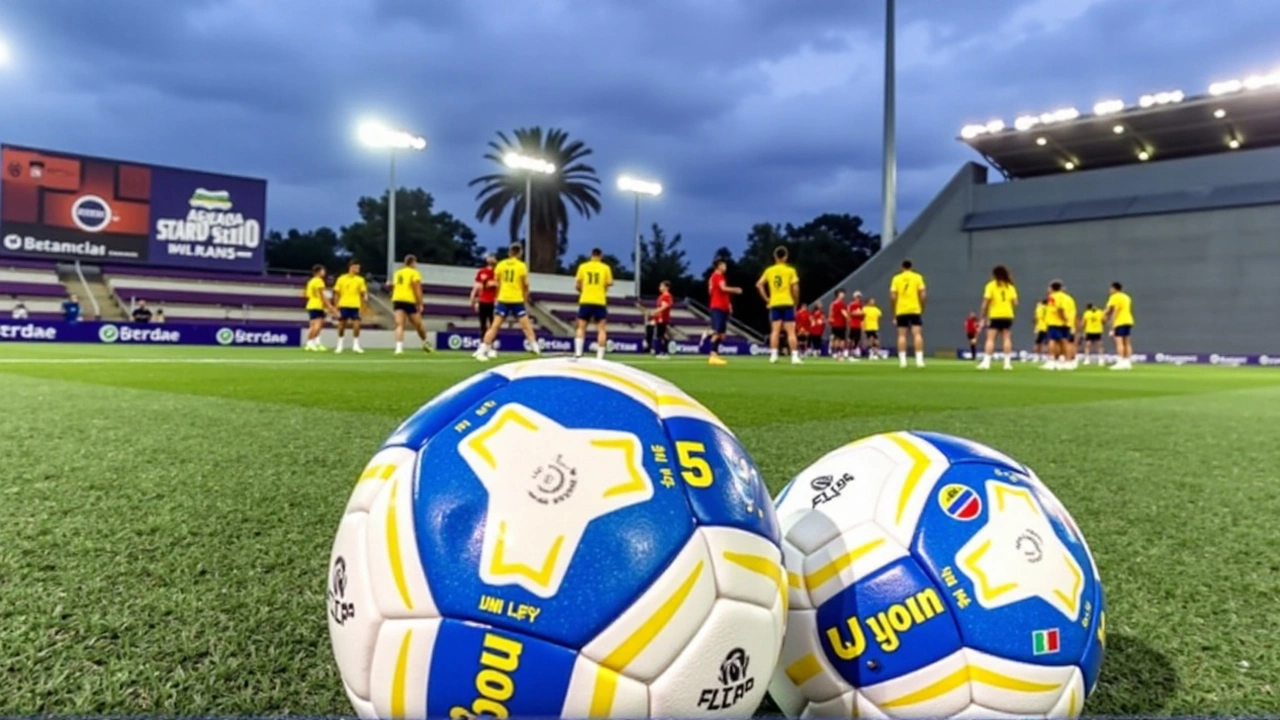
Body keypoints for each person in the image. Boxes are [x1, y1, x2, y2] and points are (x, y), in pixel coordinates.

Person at [475, 244, 540, 361]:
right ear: (520, 253)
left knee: (495, 326)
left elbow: (497, 283)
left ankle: (483, 348)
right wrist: (525, 297)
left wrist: (498, 296)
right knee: (526, 325)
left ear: (509, 252)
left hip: (503, 299)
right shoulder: (522, 266)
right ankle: (535, 347)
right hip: (516, 299)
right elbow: (526, 285)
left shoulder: (501, 265)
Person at [755, 245, 802, 364]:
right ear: (785, 257)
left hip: (775, 303)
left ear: (775, 257)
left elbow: (759, 284)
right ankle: (794, 357)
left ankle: (773, 355)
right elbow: (795, 288)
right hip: (787, 302)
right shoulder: (790, 270)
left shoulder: (769, 270)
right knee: (791, 331)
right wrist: (796, 302)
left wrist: (767, 299)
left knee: (775, 331)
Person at [573, 248, 613, 361]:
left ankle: (578, 353)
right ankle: (600, 357)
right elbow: (609, 283)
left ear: (591, 255)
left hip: (586, 300)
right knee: (601, 329)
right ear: (601, 256)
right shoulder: (605, 268)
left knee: (581, 327)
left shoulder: (583, 267)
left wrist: (583, 290)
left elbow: (577, 285)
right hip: (599, 301)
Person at [978, 265, 1018, 371]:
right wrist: (1009, 310)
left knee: (991, 339)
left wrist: (983, 316)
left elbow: (985, 303)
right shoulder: (1010, 287)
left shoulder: (991, 286)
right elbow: (1015, 303)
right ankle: (1007, 363)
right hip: (1007, 315)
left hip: (995, 315)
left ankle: (986, 362)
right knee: (1006, 338)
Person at [890, 259, 927, 368]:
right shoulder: (917, 277)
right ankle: (919, 360)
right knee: (917, 334)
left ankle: (903, 361)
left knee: (902, 335)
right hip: (914, 309)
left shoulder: (896, 278)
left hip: (901, 309)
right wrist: (922, 307)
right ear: (911, 267)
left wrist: (894, 311)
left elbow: (892, 296)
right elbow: (923, 294)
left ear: (902, 267)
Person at [391, 255, 430, 355]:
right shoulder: (414, 273)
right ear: (413, 262)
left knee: (399, 324)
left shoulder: (398, 273)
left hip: (397, 299)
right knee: (418, 324)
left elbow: (395, 286)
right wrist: (420, 303)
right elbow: (416, 288)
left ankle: (399, 348)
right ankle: (425, 343)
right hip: (409, 300)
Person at [705, 259, 742, 366]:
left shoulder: (714, 277)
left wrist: (728, 304)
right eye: (724, 265)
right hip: (718, 307)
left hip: (721, 307)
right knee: (717, 332)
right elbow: (723, 288)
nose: (725, 267)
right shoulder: (718, 276)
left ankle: (715, 353)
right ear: (719, 266)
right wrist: (735, 290)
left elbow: (712, 291)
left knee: (722, 334)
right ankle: (713, 355)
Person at [333, 260, 368, 354]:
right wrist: (336, 306)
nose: (358, 269)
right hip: (343, 304)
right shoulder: (341, 278)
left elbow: (363, 292)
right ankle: (340, 345)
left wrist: (365, 297)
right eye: (357, 267)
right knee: (341, 325)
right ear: (351, 267)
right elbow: (336, 293)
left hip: (355, 305)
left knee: (357, 325)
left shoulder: (360, 280)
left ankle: (356, 345)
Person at [1045, 280, 1077, 371]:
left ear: (1052, 288)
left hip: (1055, 322)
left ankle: (1052, 361)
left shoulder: (1053, 297)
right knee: (1064, 342)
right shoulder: (1068, 298)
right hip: (1066, 324)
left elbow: (1059, 309)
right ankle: (1066, 361)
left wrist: (1063, 318)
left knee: (1052, 341)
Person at [1105, 281, 1136, 370]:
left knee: (1119, 342)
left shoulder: (1114, 297)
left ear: (1114, 289)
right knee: (1127, 342)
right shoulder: (1127, 297)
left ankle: (1120, 361)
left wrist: (1109, 320)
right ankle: (1127, 361)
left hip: (1120, 321)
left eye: (1111, 288)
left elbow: (1113, 310)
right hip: (1128, 320)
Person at [303, 265, 335, 351]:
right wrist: (329, 306)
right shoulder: (319, 281)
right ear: (318, 272)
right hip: (318, 305)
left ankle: (312, 343)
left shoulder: (310, 281)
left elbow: (306, 294)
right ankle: (311, 342)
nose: (324, 272)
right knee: (318, 325)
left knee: (312, 325)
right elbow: (322, 296)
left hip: (311, 304)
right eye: (323, 271)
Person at [470, 254, 498, 336]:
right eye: (490, 257)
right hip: (483, 301)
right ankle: (483, 342)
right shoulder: (481, 272)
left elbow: (497, 286)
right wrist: (473, 299)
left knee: (493, 324)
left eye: (493, 257)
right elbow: (477, 286)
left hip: (492, 301)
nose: (491, 259)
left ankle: (491, 343)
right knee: (483, 324)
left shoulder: (497, 273)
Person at [651, 282, 674, 358]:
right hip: (660, 318)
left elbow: (664, 307)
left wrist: (655, 312)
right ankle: (663, 351)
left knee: (660, 335)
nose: (659, 287)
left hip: (662, 318)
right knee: (661, 335)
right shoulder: (661, 296)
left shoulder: (666, 296)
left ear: (666, 287)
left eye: (661, 286)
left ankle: (661, 352)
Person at [829, 290, 848, 361]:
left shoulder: (833, 303)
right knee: (841, 340)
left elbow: (830, 313)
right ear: (837, 295)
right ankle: (840, 354)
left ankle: (835, 353)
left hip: (836, 324)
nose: (843, 295)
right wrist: (849, 318)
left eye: (843, 293)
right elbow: (844, 314)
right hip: (840, 324)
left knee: (836, 339)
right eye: (841, 293)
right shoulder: (840, 304)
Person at [847, 291, 865, 360]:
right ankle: (850, 352)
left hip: (858, 324)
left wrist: (859, 314)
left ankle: (854, 352)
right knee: (851, 339)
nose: (858, 298)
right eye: (857, 297)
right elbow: (850, 314)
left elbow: (862, 315)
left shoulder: (861, 305)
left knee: (857, 339)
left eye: (859, 297)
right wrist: (858, 313)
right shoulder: (852, 305)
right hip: (853, 324)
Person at [1033, 298, 1049, 362]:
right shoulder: (1049, 308)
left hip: (1040, 327)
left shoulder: (1039, 308)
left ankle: (1037, 356)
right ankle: (1046, 356)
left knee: (1038, 342)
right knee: (1047, 343)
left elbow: (1035, 318)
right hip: (1048, 327)